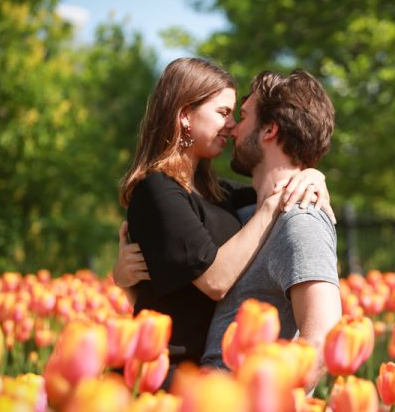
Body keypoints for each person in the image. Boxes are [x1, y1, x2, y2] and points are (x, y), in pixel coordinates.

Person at [116, 58, 333, 367]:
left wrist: (312, 175)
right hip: (164, 369)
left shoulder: (222, 193)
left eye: (234, 114)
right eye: (222, 113)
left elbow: (276, 181)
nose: (231, 125)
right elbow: (215, 282)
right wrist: (273, 205)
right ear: (185, 116)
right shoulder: (157, 190)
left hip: (208, 372)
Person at [199, 68, 342, 389]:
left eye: (244, 115)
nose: (232, 128)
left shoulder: (301, 220)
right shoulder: (249, 212)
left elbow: (321, 339)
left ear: (269, 129)